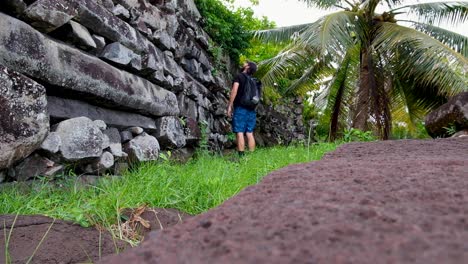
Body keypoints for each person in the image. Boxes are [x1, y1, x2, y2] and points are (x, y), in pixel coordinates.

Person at [227, 61, 259, 157]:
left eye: (245, 63)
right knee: (249, 132)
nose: (243, 63)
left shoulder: (239, 76)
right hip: (252, 109)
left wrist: (230, 105)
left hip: (241, 108)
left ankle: (241, 156)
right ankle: (251, 156)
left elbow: (234, 90)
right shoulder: (254, 80)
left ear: (247, 67)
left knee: (240, 131)